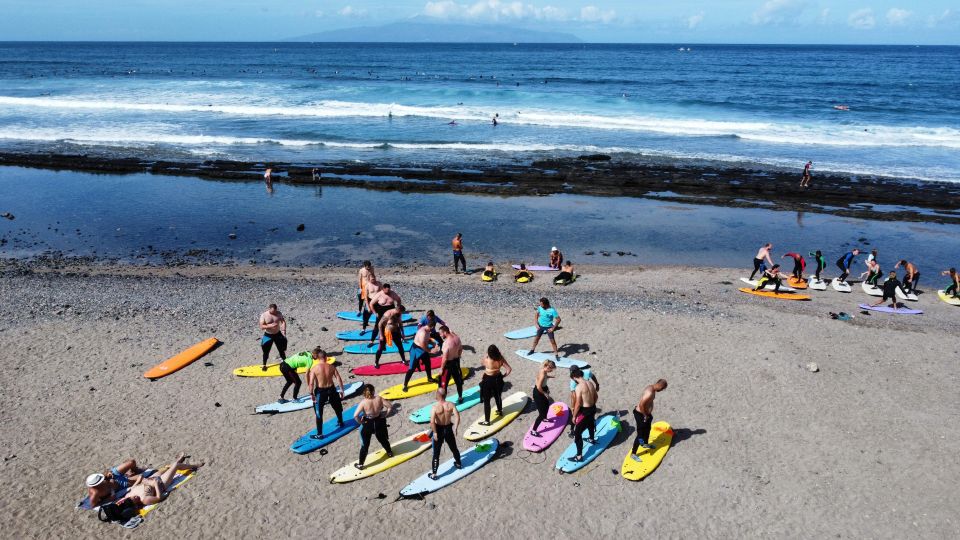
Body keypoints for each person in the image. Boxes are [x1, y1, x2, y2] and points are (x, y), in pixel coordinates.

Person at [115, 453, 204, 508]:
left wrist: (140, 481)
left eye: (131, 498)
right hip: (160, 483)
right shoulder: (144, 500)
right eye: (134, 500)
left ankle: (178, 461)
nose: (134, 497)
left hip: (149, 479)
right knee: (175, 466)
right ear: (134, 505)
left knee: (166, 469)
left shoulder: (128, 495)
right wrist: (156, 484)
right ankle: (194, 466)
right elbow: (159, 497)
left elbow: (133, 487)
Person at [307, 347, 345, 439]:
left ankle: (319, 434)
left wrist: (311, 394)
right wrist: (342, 390)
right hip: (332, 389)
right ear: (326, 357)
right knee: (337, 407)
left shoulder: (314, 368)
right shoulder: (332, 366)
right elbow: (339, 378)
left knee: (319, 412)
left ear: (318, 358)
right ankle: (340, 422)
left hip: (321, 391)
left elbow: (311, 383)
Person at [355, 384, 394, 469]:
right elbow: (390, 407)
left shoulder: (363, 402)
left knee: (365, 445)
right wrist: (385, 415)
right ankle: (389, 452)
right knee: (383, 439)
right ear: (373, 391)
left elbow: (355, 416)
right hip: (379, 421)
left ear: (364, 393)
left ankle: (361, 464)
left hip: (368, 423)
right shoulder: (379, 398)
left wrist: (361, 422)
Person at [429, 388, 462, 480]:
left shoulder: (435, 407)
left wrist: (435, 433)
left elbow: (432, 422)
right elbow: (457, 416)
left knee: (436, 453)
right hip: (448, 429)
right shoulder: (451, 404)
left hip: (439, 429)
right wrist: (455, 427)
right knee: (453, 448)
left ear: (438, 395)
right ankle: (459, 463)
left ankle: (434, 474)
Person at [631, 379, 668, 457]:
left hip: (646, 414)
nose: (662, 390)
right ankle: (633, 453)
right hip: (641, 415)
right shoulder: (650, 392)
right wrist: (645, 415)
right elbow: (641, 405)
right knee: (640, 435)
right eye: (662, 388)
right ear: (660, 385)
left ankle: (645, 444)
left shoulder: (652, 388)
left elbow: (648, 402)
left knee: (647, 430)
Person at [569, 367, 598, 462]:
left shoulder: (578, 387)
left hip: (585, 411)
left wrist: (574, 416)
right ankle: (591, 439)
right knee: (590, 424)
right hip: (593, 408)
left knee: (577, 434)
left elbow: (577, 403)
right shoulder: (590, 383)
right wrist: (591, 404)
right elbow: (596, 396)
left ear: (574, 377)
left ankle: (579, 456)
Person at [479, 345, 512, 426]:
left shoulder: (487, 359)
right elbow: (509, 369)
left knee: (487, 401)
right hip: (498, 378)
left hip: (488, 380)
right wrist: (503, 376)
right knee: (498, 396)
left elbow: (482, 362)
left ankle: (487, 421)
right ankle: (500, 411)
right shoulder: (500, 358)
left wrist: (485, 355)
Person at [404, 322, 439, 391]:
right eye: (433, 328)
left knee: (428, 363)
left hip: (423, 350)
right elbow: (422, 345)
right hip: (416, 350)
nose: (433, 329)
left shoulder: (427, 330)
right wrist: (431, 351)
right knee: (411, 368)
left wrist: (433, 343)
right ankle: (405, 385)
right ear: (432, 327)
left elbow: (427, 339)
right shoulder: (422, 332)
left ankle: (429, 378)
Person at [529, 360, 556, 437]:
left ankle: (544, 418)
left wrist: (550, 376)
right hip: (538, 393)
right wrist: (545, 394)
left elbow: (544, 378)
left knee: (547, 405)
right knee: (541, 413)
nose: (551, 370)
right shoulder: (542, 373)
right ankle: (533, 430)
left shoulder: (544, 370)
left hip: (543, 390)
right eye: (551, 369)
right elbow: (538, 387)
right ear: (548, 367)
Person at [438, 325, 465, 403]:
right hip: (456, 362)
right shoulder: (457, 338)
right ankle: (460, 397)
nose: (440, 335)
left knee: (444, 384)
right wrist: (458, 356)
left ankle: (443, 402)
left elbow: (445, 358)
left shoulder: (446, 343)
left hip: (448, 365)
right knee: (458, 381)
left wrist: (441, 369)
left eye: (441, 333)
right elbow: (460, 349)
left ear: (445, 332)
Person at [258, 304, 287, 371]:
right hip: (268, 335)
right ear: (269, 309)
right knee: (266, 352)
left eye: (274, 312)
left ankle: (285, 363)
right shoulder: (264, 315)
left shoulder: (279, 313)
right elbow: (262, 327)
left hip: (277, 334)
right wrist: (270, 326)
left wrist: (284, 330)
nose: (273, 313)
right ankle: (264, 365)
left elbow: (283, 321)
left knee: (281, 350)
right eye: (272, 312)